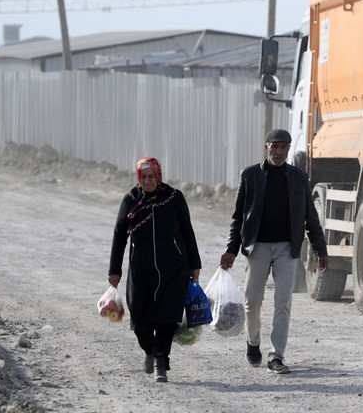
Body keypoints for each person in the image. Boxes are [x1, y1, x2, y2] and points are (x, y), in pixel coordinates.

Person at [220, 129, 329, 375]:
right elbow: (238, 217)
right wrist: (231, 250)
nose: (279, 152)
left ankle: (276, 355)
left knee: (283, 302)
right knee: (252, 302)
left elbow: (311, 219)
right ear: (266, 146)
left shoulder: (298, 178)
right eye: (274, 146)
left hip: (286, 249)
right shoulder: (249, 176)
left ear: (289, 149)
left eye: (283, 147)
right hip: (256, 247)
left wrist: (320, 250)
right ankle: (253, 342)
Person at [107, 156, 202, 383]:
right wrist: (114, 270)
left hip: (174, 269)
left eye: (151, 177)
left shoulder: (174, 198)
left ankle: (161, 362)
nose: (147, 181)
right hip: (141, 270)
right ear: (138, 178)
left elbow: (187, 232)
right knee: (139, 318)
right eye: (143, 177)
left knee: (167, 317)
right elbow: (119, 236)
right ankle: (149, 349)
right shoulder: (130, 200)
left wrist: (194, 264)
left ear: (158, 176)